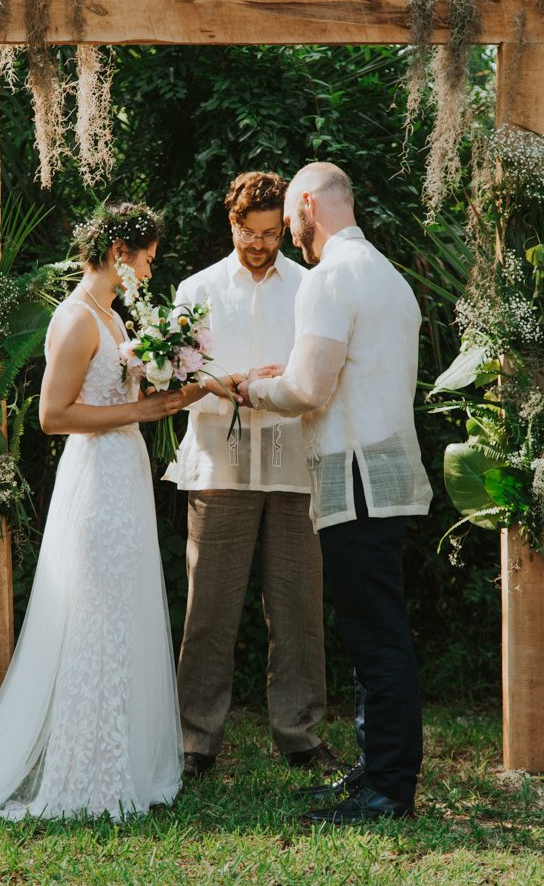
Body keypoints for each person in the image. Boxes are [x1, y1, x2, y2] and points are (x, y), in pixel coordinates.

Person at [0, 202, 226, 823]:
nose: (150, 272)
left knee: (121, 612)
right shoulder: (76, 319)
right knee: (95, 616)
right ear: (121, 255)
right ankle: (87, 772)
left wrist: (193, 387)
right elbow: (53, 416)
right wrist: (140, 413)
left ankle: (120, 762)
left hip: (123, 472)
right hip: (96, 480)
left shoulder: (113, 315)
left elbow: (133, 397)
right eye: (148, 259)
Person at [238, 162, 433, 823]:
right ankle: (374, 771)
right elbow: (342, 374)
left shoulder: (328, 278)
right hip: (386, 475)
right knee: (371, 631)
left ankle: (388, 791)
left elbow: (307, 391)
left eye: (292, 214)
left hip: (357, 481)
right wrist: (286, 374)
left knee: (375, 638)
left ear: (307, 205)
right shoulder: (386, 276)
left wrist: (251, 388)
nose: (290, 227)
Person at [164, 171, 337, 777]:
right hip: (219, 464)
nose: (261, 244)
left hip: (295, 462)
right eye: (249, 231)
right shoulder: (197, 288)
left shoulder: (312, 288)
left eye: (271, 233)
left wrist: (274, 385)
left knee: (296, 608)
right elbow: (175, 379)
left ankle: (301, 736)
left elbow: (325, 371)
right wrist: (232, 384)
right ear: (230, 223)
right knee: (209, 608)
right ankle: (194, 741)